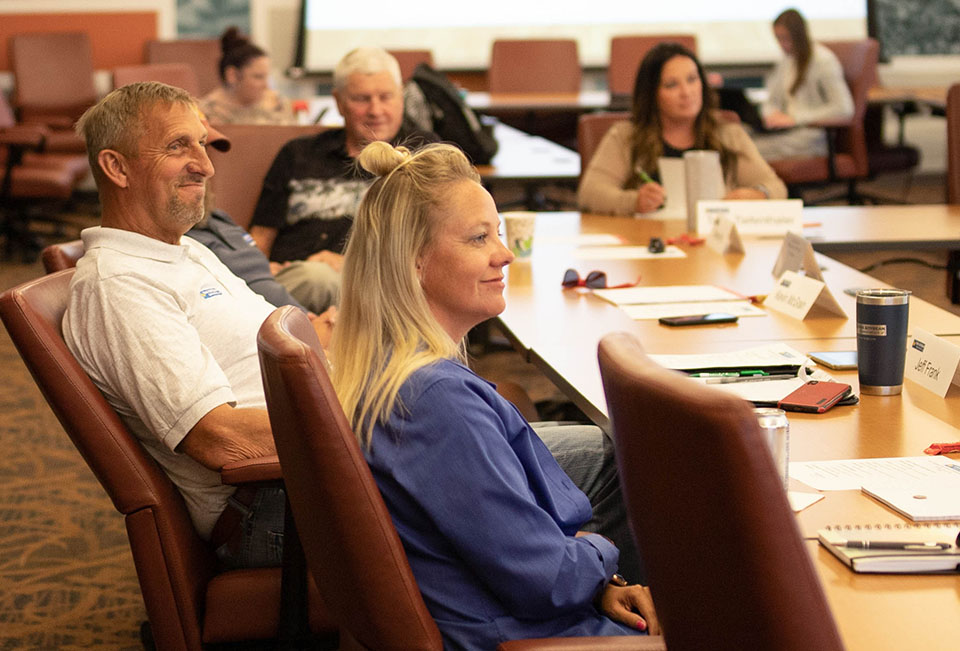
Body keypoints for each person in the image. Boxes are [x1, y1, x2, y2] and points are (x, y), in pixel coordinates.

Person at [330, 140, 660, 649]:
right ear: (414, 262)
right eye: (478, 238)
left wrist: (598, 586)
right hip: (532, 637)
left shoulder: (395, 373)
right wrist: (600, 552)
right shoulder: (437, 403)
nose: (504, 254)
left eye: (498, 233)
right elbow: (548, 581)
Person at [63, 82, 332, 569]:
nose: (205, 165)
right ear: (116, 167)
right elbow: (219, 436)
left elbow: (278, 336)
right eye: (177, 146)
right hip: (276, 502)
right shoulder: (120, 284)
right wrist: (368, 418)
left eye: (202, 144)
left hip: (309, 470)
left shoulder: (186, 249)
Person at [247, 47, 437, 313]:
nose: (376, 110)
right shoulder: (297, 154)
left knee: (322, 280)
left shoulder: (424, 155)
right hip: (294, 286)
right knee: (312, 280)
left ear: (401, 98)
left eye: (386, 97)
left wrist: (348, 263)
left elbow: (437, 243)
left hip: (380, 285)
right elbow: (262, 235)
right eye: (362, 99)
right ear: (338, 102)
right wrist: (259, 269)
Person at [578, 42, 787, 216]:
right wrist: (633, 201)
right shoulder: (626, 136)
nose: (686, 92)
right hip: (648, 245)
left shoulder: (728, 134)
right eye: (671, 85)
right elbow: (590, 193)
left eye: (692, 80)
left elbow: (776, 187)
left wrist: (759, 194)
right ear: (652, 94)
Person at [753, 8, 855, 160]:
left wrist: (796, 118)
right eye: (778, 39)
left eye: (785, 38)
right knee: (739, 139)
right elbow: (772, 101)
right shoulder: (787, 61)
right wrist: (771, 114)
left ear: (799, 35)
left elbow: (844, 108)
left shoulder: (823, 60)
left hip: (810, 137)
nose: (782, 45)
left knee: (748, 152)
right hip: (786, 132)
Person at [198, 27, 296, 126]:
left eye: (267, 77)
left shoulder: (278, 104)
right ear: (232, 75)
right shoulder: (206, 113)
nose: (266, 86)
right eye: (258, 77)